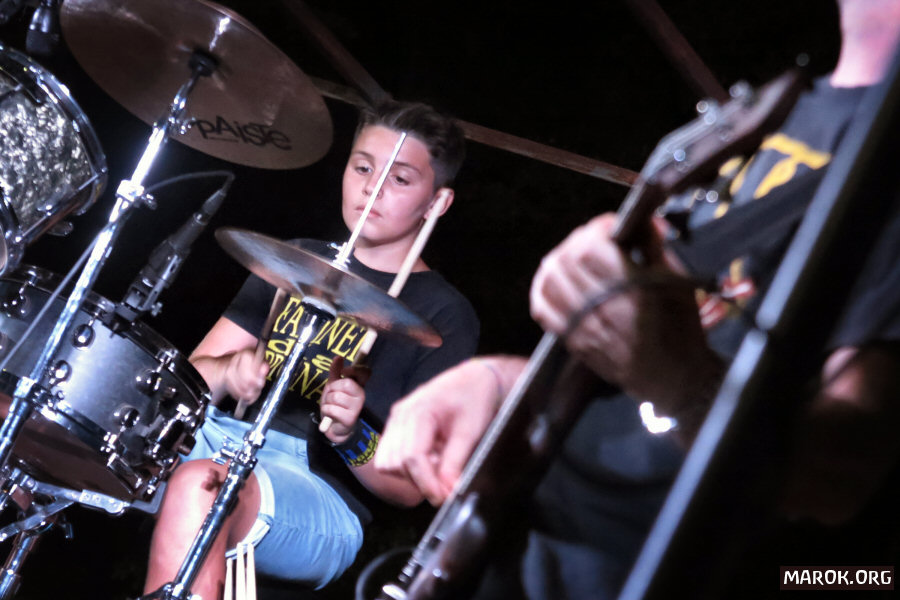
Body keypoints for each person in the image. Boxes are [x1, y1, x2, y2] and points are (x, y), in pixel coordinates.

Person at [375, 1, 900, 597]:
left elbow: (840, 480)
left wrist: (682, 382)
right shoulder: (764, 114)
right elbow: (651, 357)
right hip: (519, 552)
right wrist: (504, 383)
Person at [142, 100, 480, 599]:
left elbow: (411, 490)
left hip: (322, 496)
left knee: (203, 486)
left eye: (400, 179)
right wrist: (229, 371)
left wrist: (351, 434)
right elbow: (186, 385)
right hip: (226, 439)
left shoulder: (444, 314)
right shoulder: (292, 259)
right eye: (363, 167)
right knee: (65, 422)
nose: (372, 187)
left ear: (437, 202)